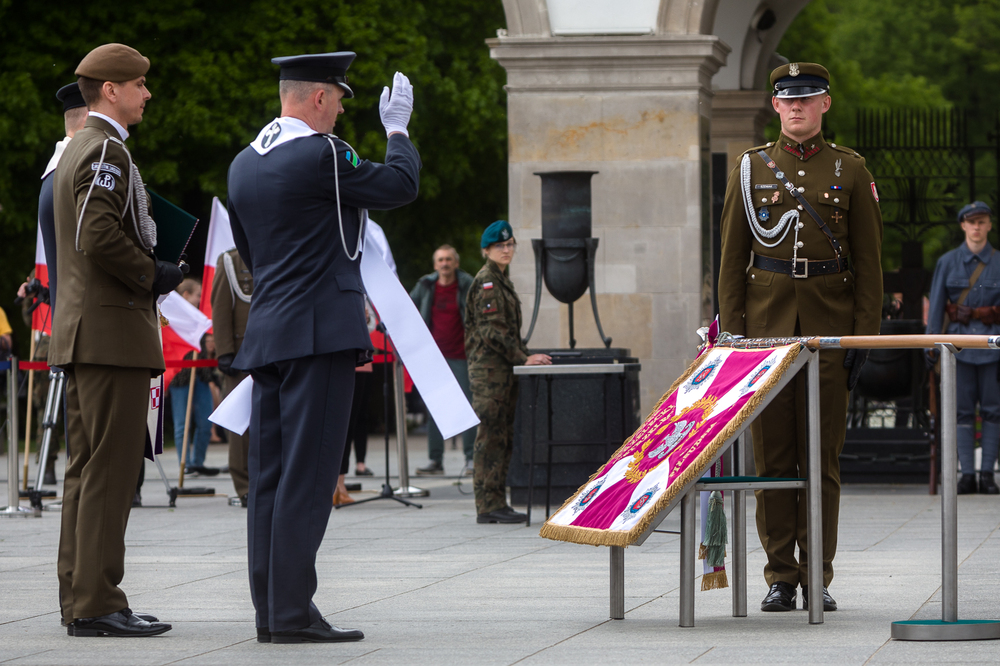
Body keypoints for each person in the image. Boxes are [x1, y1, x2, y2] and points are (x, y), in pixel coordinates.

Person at [227, 52, 420, 643]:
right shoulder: (322, 154)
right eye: (338, 98)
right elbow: (399, 185)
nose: (340, 110)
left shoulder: (242, 165)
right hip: (319, 332)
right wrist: (398, 133)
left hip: (268, 334)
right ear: (317, 98)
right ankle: (291, 614)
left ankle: (273, 610)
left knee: (270, 479)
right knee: (309, 479)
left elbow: (250, 255)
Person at [717, 62, 883, 613]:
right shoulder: (749, 168)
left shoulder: (851, 170)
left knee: (822, 458)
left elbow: (869, 266)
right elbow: (731, 262)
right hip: (764, 336)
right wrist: (732, 342)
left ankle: (818, 573)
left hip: (828, 332)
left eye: (807, 99)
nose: (796, 107)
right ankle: (780, 575)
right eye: (787, 99)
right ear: (774, 105)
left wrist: (863, 341)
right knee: (772, 458)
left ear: (825, 104)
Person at [51, 43, 180, 637]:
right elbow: (97, 233)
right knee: (108, 471)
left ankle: (82, 598)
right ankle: (99, 603)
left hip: (87, 331)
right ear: (110, 90)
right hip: (110, 332)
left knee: (87, 472)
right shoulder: (105, 149)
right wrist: (152, 274)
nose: (146, 93)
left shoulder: (78, 145)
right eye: (138, 85)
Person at [465, 221, 552, 524]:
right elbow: (492, 332)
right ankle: (487, 504)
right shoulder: (487, 282)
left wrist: (522, 357)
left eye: (510, 244)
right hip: (489, 374)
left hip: (502, 372)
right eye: (500, 245)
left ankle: (496, 501)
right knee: (491, 436)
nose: (506, 249)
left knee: (502, 436)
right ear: (485, 250)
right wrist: (523, 357)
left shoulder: (501, 281)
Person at [926, 201, 1000, 495]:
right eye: (972, 222)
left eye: (982, 221)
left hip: (994, 347)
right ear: (963, 226)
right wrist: (931, 344)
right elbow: (935, 308)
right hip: (959, 348)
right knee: (961, 413)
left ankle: (988, 475)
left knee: (994, 412)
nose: (977, 227)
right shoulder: (947, 262)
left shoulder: (998, 260)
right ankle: (967, 474)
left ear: (989, 225)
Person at [411, 244, 477, 476]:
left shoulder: (467, 284)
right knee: (435, 409)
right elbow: (409, 309)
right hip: (434, 359)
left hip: (462, 356)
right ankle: (435, 461)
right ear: (435, 264)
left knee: (467, 407)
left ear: (456, 263)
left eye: (449, 259)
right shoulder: (426, 286)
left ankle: (471, 459)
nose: (445, 263)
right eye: (441, 260)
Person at [212, 247, 253, 505]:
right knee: (241, 426)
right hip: (242, 354)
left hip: (276, 349)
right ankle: (245, 486)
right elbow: (220, 306)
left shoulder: (280, 249)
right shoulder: (230, 260)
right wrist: (225, 350)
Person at [168, 278, 219, 476]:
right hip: (180, 375)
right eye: (198, 295)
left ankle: (197, 462)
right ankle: (185, 464)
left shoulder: (200, 315)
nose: (200, 299)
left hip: (202, 374)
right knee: (182, 423)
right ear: (186, 295)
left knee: (206, 422)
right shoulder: (173, 316)